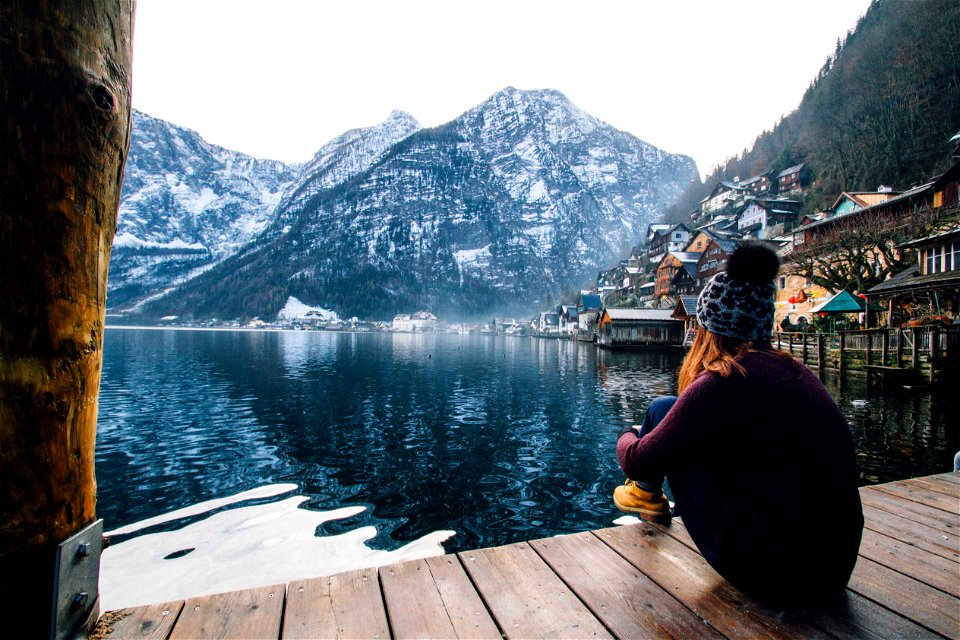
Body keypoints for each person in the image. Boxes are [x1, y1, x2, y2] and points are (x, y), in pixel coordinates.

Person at [614, 242, 863, 606]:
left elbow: (635, 458)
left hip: (776, 577)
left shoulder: (721, 383)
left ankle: (645, 494)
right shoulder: (796, 372)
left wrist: (629, 434)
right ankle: (647, 492)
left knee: (666, 424)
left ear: (709, 329)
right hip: (834, 568)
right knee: (668, 407)